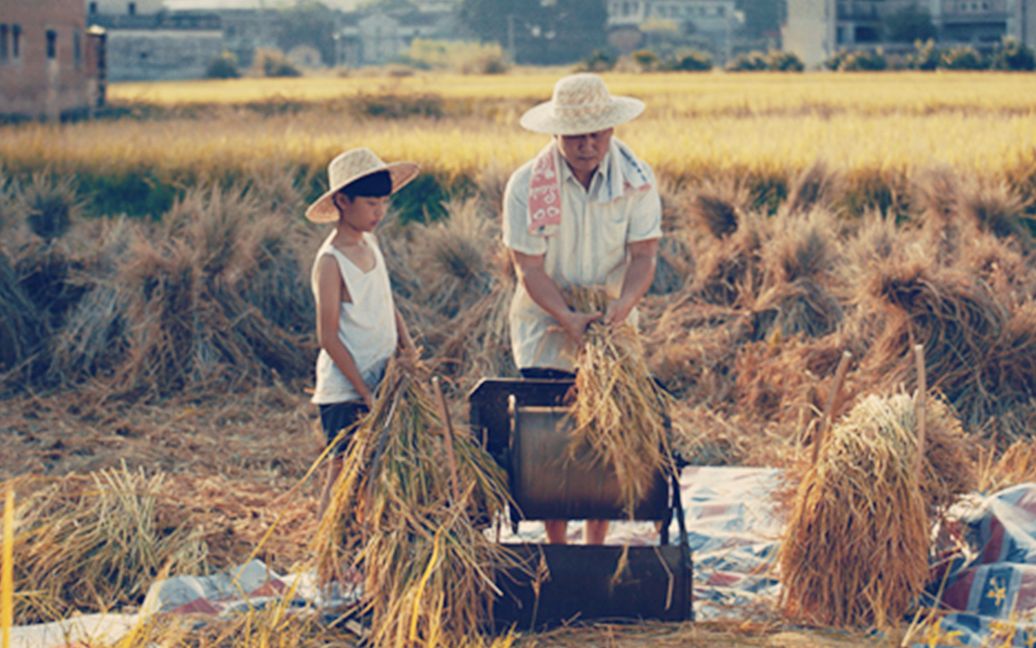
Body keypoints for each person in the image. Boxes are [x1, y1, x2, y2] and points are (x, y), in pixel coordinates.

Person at [502, 73, 663, 545]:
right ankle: (557, 545)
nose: (586, 144)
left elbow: (644, 255)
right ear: (557, 133)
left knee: (605, 437)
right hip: (545, 325)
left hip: (612, 326)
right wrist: (566, 318)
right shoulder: (528, 184)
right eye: (575, 134)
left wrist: (621, 308)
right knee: (551, 440)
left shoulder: (637, 179)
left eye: (596, 132)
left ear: (611, 130)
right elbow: (528, 268)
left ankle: (596, 544)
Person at [307, 147, 419, 519]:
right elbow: (328, 337)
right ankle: (330, 553)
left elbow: (387, 302)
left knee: (373, 472)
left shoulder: (370, 243)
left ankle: (360, 548)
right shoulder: (330, 261)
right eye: (371, 203)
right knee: (341, 472)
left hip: (380, 379)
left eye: (384, 203)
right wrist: (364, 392)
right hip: (346, 389)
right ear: (342, 201)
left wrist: (407, 348)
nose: (379, 213)